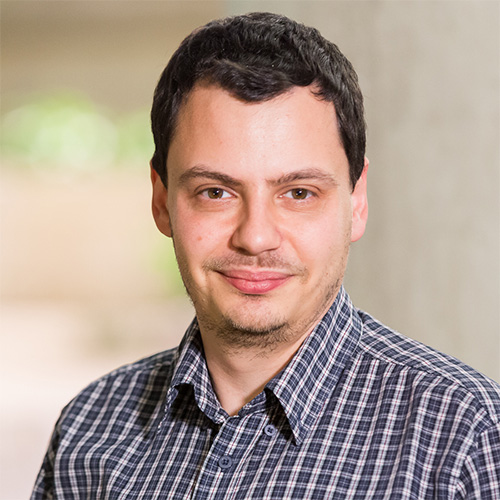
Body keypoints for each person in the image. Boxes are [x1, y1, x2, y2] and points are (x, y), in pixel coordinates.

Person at [31, 12, 500, 499]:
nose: (255, 238)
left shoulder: (465, 442)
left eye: (298, 193)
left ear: (356, 201)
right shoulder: (86, 432)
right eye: (215, 192)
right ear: (161, 199)